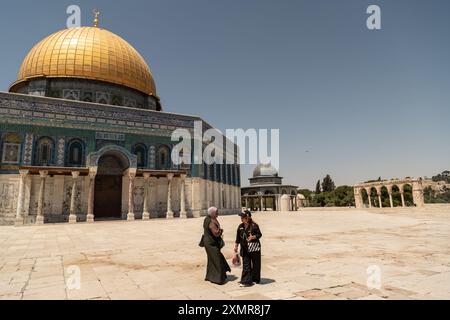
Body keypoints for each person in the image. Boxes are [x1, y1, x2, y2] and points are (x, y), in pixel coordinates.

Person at [202, 206, 231, 285]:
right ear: (212, 213)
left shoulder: (206, 219)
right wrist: (220, 231)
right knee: (217, 259)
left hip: (208, 242)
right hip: (211, 243)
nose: (217, 214)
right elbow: (216, 233)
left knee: (212, 259)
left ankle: (210, 276)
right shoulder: (211, 221)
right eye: (216, 212)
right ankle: (218, 279)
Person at [234, 210, 262, 287]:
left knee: (256, 264)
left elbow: (259, 234)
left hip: (254, 248)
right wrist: (236, 246)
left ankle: (255, 279)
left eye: (242, 217)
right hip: (245, 249)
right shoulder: (240, 226)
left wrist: (253, 237)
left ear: (247, 218)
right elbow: (238, 237)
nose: (241, 218)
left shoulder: (254, 225)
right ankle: (246, 281)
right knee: (246, 264)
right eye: (241, 217)